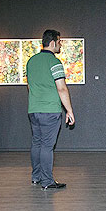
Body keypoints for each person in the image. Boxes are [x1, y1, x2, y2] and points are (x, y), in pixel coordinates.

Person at [26, 29, 75, 191]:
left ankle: (36, 176)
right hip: (50, 110)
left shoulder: (31, 61)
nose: (60, 45)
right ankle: (47, 181)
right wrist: (69, 110)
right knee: (47, 146)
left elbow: (29, 86)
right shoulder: (54, 62)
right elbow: (61, 88)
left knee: (37, 143)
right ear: (53, 43)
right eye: (59, 42)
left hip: (33, 110)